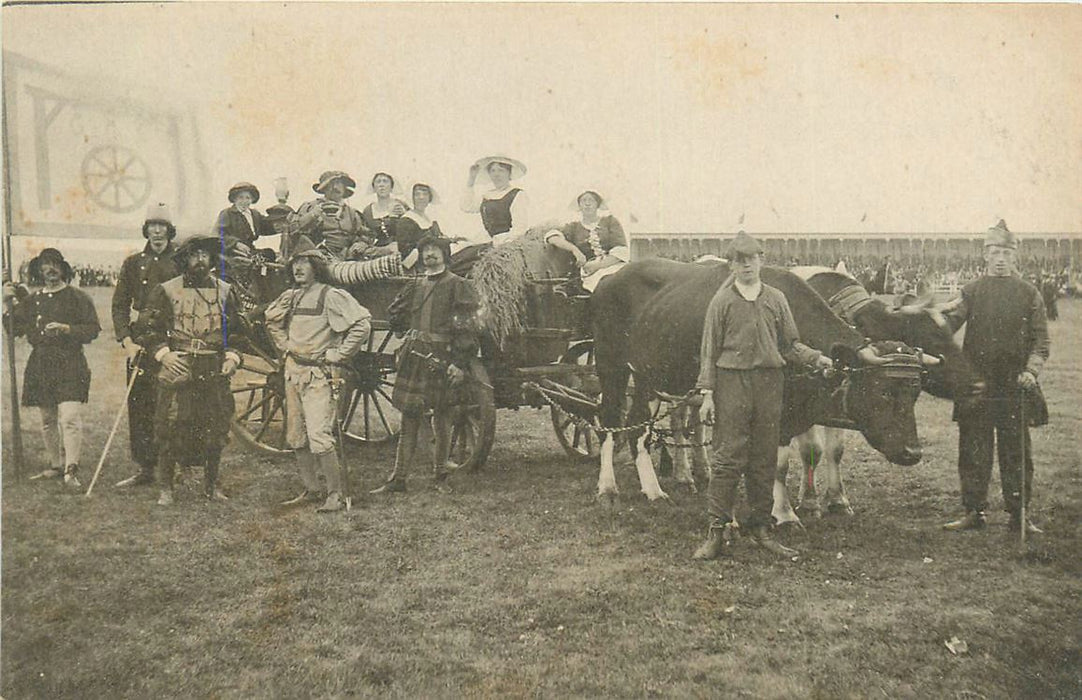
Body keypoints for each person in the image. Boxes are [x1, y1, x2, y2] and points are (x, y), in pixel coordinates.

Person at [692, 232, 834, 560]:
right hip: (732, 383)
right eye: (739, 260)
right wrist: (708, 394)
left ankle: (760, 529)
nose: (746, 266)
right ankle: (716, 532)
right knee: (728, 458)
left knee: (764, 457)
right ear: (731, 265)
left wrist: (815, 357)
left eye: (752, 258)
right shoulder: (722, 301)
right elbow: (709, 351)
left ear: (761, 260)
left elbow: (789, 345)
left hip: (770, 384)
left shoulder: (776, 299)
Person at [942, 220, 1050, 534]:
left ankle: (1019, 515)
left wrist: (1031, 370)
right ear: (984, 255)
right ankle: (973, 511)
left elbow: (1041, 340)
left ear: (1015, 255)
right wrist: (929, 323)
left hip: (1015, 385)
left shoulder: (1030, 293)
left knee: (1016, 451)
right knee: (973, 449)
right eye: (994, 251)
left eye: (1005, 251)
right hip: (977, 386)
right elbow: (949, 325)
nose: (1000, 257)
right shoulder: (971, 292)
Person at [132, 233, 246, 506]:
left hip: (212, 366)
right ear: (184, 259)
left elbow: (238, 332)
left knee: (215, 426)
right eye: (194, 255)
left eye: (205, 255)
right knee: (170, 426)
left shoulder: (225, 291)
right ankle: (166, 488)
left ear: (211, 260)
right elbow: (147, 329)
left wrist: (232, 356)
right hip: (179, 363)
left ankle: (212, 485)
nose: (200, 261)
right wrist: (163, 354)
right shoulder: (166, 290)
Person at [264, 240, 372, 512]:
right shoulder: (293, 296)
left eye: (305, 263)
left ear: (316, 267)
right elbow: (271, 320)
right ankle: (312, 489)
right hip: (294, 372)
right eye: (295, 264)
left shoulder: (331, 295)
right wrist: (286, 345)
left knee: (319, 434)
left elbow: (361, 324)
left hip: (320, 376)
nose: (299, 268)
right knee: (296, 434)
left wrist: (340, 353)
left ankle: (335, 494)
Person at [370, 234, 480, 494]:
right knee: (409, 417)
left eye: (435, 250)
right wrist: (401, 328)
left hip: (442, 357)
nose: (430, 254)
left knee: (442, 416)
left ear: (445, 254)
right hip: (415, 355)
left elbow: (468, 326)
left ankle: (440, 476)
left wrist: (459, 363)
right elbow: (396, 311)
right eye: (426, 250)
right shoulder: (416, 284)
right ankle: (398, 478)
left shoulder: (458, 285)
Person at [3, 248, 101, 487]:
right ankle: (55, 464)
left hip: (70, 363)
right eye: (45, 265)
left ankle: (71, 468)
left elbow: (92, 329)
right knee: (47, 418)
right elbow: (14, 329)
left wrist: (67, 329)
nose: (50, 270)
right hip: (41, 364)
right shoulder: (33, 300)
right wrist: (6, 301)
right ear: (39, 270)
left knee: (69, 417)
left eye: (55, 264)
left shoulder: (77, 297)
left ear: (63, 268)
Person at [112, 203, 181, 488]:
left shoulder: (180, 261)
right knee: (140, 404)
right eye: (152, 225)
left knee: (173, 405)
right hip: (140, 342)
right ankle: (145, 468)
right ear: (146, 230)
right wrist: (127, 341)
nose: (156, 231)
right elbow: (119, 305)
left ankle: (175, 465)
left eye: (161, 226)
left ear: (169, 230)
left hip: (173, 338)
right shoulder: (132, 263)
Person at [451, 155, 529, 275]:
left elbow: (520, 228)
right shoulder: (487, 195)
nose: (496, 174)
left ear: (509, 173)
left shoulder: (517, 195)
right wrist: (471, 180)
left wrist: (499, 242)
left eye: (501, 170)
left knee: (466, 265)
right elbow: (466, 206)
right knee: (455, 260)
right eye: (492, 171)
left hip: (506, 244)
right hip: (487, 242)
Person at [544, 190, 629, 292]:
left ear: (597, 204)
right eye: (583, 201)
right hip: (589, 271)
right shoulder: (574, 227)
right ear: (579, 206)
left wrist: (598, 266)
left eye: (591, 200)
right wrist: (574, 250)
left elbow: (621, 250)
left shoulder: (610, 222)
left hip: (613, 265)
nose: (587, 204)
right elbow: (552, 237)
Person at [295, 171, 368, 260]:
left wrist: (361, 244)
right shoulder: (310, 207)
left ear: (345, 188)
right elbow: (293, 230)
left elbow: (364, 235)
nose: (335, 187)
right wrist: (312, 215)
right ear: (324, 188)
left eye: (340, 184)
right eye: (331, 184)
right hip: (317, 257)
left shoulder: (352, 213)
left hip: (347, 257)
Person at [396, 182, 444, 270]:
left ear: (430, 198)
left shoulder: (431, 219)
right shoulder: (406, 220)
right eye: (417, 194)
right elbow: (405, 253)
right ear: (412, 198)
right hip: (419, 265)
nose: (421, 197)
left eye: (425, 194)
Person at [359, 172, 409, 258]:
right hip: (379, 252)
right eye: (378, 182)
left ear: (391, 187)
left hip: (401, 250)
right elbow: (365, 235)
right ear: (374, 187)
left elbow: (411, 228)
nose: (381, 185)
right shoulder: (368, 211)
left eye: (385, 181)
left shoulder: (400, 205)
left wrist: (405, 215)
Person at [214, 182, 266, 254]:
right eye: (241, 197)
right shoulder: (227, 213)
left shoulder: (255, 214)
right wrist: (236, 244)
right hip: (233, 252)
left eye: (248, 198)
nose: (244, 201)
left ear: (252, 199)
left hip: (249, 251)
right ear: (234, 199)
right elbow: (218, 234)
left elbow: (266, 226)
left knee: (269, 254)